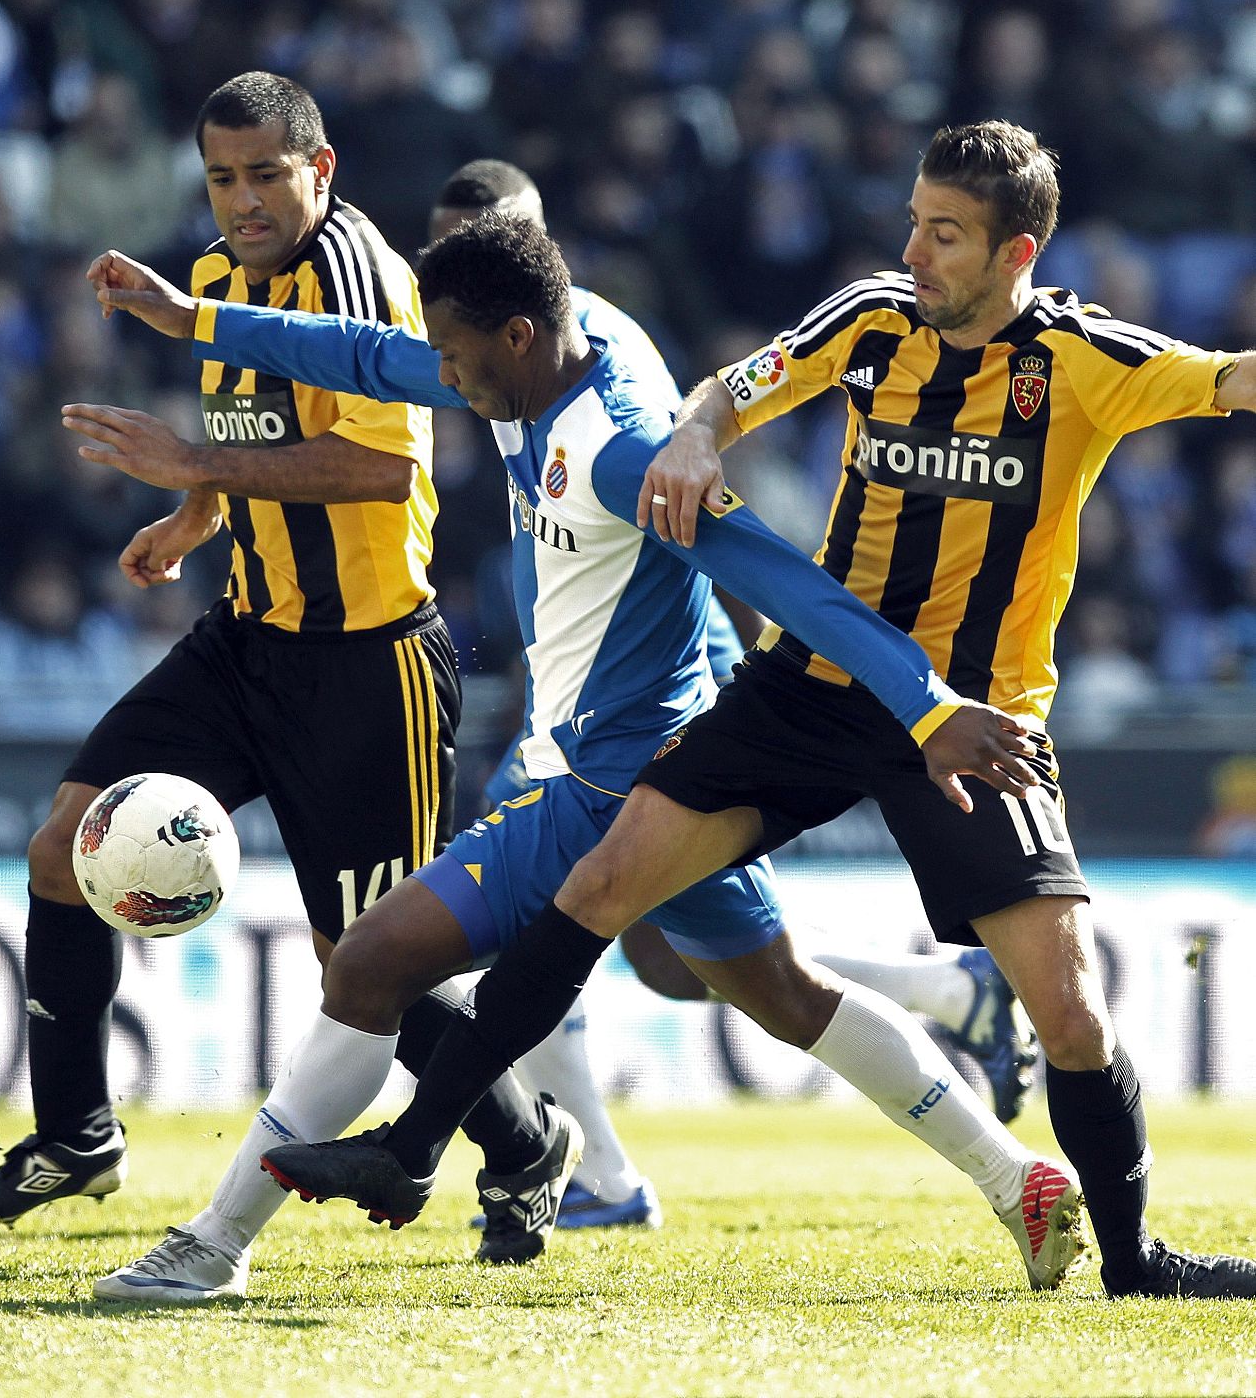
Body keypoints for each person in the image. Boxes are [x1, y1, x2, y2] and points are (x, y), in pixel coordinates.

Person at [279, 122, 1256, 1300]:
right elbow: (734, 388)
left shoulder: (1082, 357)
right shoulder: (872, 317)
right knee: (600, 885)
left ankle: (1133, 1259)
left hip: (968, 718)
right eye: (913, 223)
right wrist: (695, 438)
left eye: (944, 235)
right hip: (807, 686)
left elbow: (1230, 379)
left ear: (1017, 253)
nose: (913, 251)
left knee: (1070, 1014)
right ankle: (413, 1144)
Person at [65, 212, 1087, 1300]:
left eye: (455, 356)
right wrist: (192, 318)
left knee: (367, 962)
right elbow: (363, 354)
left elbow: (790, 583)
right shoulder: (540, 353)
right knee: (788, 995)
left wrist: (927, 707)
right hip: (664, 782)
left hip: (603, 786)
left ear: (515, 334)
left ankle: (215, 1243)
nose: (443, 378)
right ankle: (1015, 1175)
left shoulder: (621, 452)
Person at [0, 73, 558, 1299]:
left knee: (366, 964)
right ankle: (76, 1136)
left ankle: (526, 1142)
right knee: (66, 841)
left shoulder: (356, 275)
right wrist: (193, 514)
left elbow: (381, 468)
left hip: (369, 665)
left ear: (319, 169)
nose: (243, 201)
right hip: (246, 636)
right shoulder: (217, 279)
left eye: (266, 175)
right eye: (222, 178)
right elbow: (250, 437)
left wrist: (186, 460)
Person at [435, 160, 1038, 1238]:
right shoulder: (480, 366)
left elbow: (718, 547)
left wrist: (868, 691)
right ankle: (953, 1002)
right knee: (682, 965)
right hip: (578, 717)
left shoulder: (602, 375)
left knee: (554, 932)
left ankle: (592, 1171)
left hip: (643, 723)